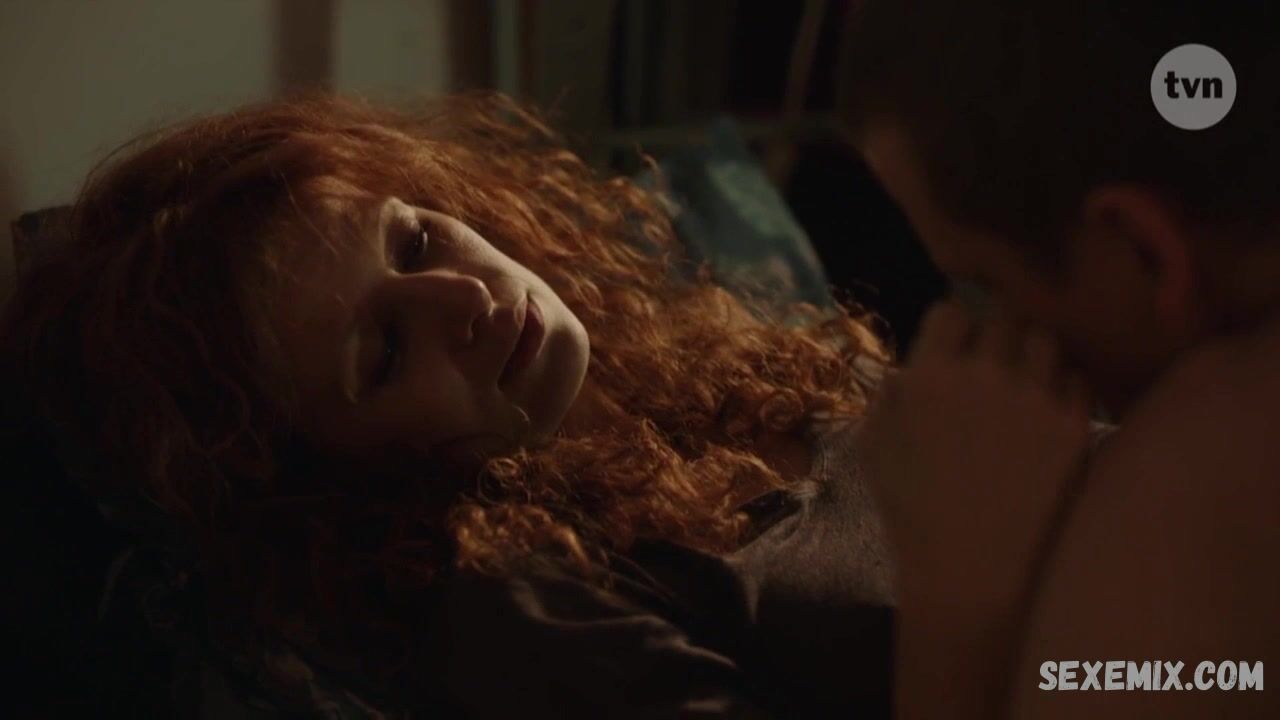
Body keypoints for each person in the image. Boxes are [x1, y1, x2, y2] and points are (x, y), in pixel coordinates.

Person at [1, 92, 898, 717]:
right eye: (386, 351)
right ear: (331, 480)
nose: (462, 298)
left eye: (415, 241)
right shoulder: (525, 613)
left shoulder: (681, 353)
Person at [839, 1, 1279, 717]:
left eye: (986, 284)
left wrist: (953, 610)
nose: (970, 328)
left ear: (1141, 249)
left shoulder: (1193, 488)